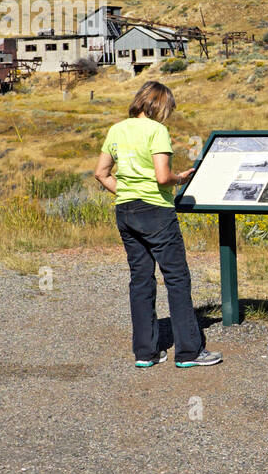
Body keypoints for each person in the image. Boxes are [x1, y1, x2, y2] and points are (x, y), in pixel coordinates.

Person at [94, 81, 222, 369]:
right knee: (176, 278)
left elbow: (101, 173)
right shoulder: (157, 131)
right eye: (169, 109)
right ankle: (189, 351)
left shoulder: (117, 129)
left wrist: (127, 192)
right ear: (160, 106)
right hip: (157, 211)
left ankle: (145, 352)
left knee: (140, 279)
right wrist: (182, 178)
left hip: (125, 211)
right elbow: (162, 176)